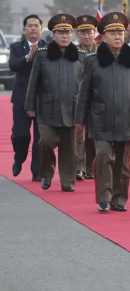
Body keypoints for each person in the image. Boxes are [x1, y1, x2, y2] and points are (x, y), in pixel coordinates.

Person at [75, 12, 130, 213]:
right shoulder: (93, 61)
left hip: (128, 117)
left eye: (120, 32)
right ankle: (104, 197)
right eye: (113, 33)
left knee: (123, 162)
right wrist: (80, 118)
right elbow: (84, 91)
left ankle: (119, 199)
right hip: (100, 118)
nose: (118, 36)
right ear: (103, 36)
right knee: (103, 156)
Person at [24, 14, 85, 191]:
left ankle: (68, 180)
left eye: (68, 33)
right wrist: (30, 105)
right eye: (60, 33)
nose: (65, 36)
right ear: (53, 34)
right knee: (46, 142)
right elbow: (33, 82)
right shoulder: (43, 55)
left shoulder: (81, 56)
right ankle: (47, 172)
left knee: (69, 149)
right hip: (47, 109)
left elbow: (86, 84)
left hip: (72, 108)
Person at [8, 15, 46, 181]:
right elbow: (13, 65)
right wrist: (28, 57)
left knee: (40, 138)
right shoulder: (17, 47)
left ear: (41, 28)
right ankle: (19, 158)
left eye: (36, 25)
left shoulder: (49, 47)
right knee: (21, 135)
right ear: (24, 29)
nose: (32, 29)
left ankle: (37, 171)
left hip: (42, 98)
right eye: (29, 26)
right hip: (21, 98)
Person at [75, 14, 99, 180]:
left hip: (97, 99)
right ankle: (79, 167)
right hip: (78, 98)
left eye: (89, 32)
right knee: (78, 136)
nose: (86, 36)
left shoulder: (102, 51)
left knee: (93, 136)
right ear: (78, 34)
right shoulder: (72, 53)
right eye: (83, 33)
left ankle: (91, 167)